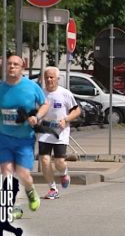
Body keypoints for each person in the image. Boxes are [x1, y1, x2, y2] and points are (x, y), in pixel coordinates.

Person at [0, 55, 49, 211]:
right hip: (4, 138)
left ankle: (30, 190)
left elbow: (45, 104)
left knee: (23, 174)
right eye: (9, 64)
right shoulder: (1, 88)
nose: (12, 66)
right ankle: (13, 207)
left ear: (22, 68)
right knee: (6, 172)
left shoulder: (31, 87)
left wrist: (37, 116)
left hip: (24, 139)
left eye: (16, 64)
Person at [38, 66, 81, 199]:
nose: (49, 80)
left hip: (60, 132)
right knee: (44, 160)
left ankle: (64, 173)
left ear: (57, 78)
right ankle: (53, 188)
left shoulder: (65, 93)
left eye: (51, 77)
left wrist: (66, 119)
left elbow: (77, 110)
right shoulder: (40, 93)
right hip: (45, 131)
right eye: (46, 77)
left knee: (59, 162)